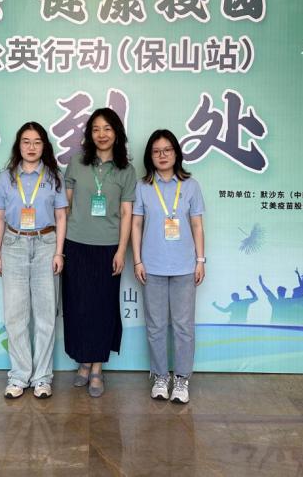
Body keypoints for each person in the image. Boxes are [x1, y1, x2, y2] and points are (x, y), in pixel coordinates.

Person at [61, 107, 137, 398]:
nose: (101, 134)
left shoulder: (126, 170)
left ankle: (96, 368)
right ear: (89, 134)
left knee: (102, 308)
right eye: (95, 129)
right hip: (76, 244)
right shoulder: (77, 163)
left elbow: (127, 213)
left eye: (107, 128)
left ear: (116, 133)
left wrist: (121, 250)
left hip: (108, 248)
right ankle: (82, 361)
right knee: (78, 306)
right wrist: (60, 246)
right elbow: (65, 206)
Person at [0, 122, 67, 399]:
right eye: (26, 141)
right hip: (13, 245)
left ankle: (42, 378)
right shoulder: (6, 178)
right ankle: (19, 376)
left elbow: (61, 217)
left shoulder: (54, 177)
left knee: (46, 315)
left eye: (37, 142)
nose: (31, 147)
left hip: (46, 244)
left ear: (44, 146)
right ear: (18, 145)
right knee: (15, 315)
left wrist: (59, 252)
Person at [131, 129, 206, 404]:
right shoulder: (142, 187)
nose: (162, 155)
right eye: (156, 151)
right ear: (149, 156)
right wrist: (137, 260)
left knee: (183, 326)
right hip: (152, 266)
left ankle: (182, 379)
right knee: (156, 326)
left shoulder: (191, 186)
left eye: (167, 150)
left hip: (185, 266)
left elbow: (197, 225)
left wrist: (200, 260)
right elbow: (136, 224)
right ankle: (161, 377)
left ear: (176, 153)